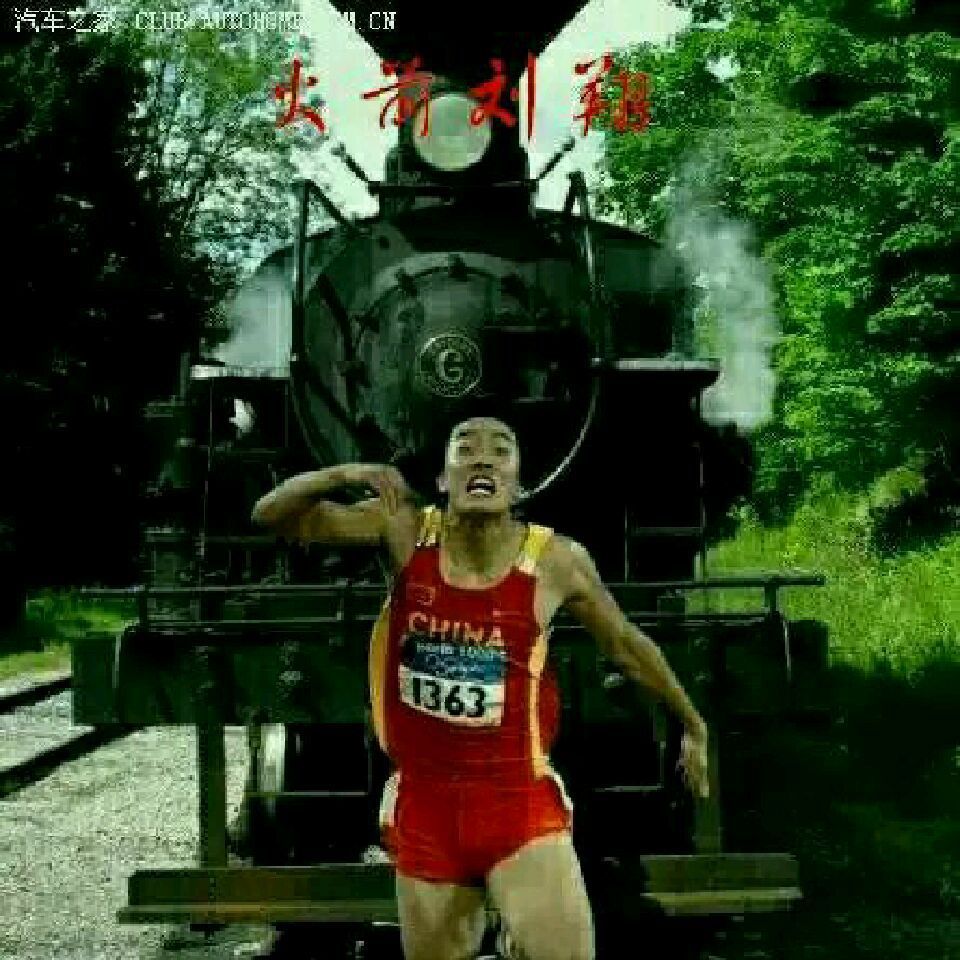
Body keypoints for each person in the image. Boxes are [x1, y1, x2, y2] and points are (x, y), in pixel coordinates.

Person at [251, 417, 709, 960]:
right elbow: (270, 516)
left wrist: (694, 725)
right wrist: (343, 473)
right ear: (443, 480)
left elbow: (627, 646)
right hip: (426, 809)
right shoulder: (404, 531)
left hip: (516, 804)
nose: (482, 459)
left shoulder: (557, 562)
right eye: (465, 450)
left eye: (500, 451)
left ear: (519, 485)